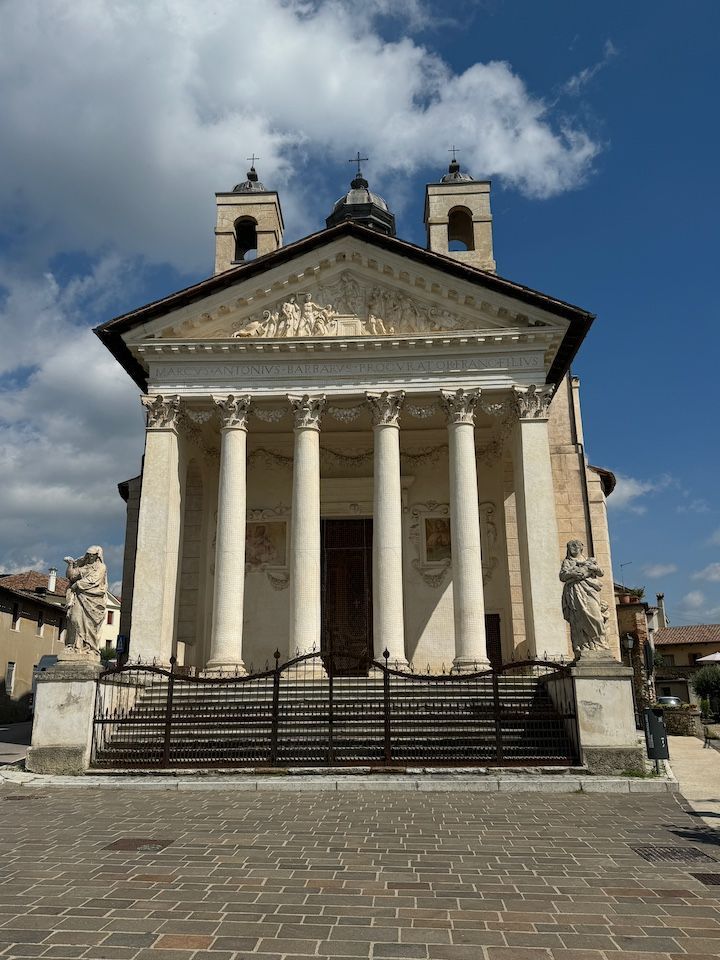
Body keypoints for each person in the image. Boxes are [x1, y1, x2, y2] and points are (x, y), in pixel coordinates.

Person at [559, 539, 609, 656]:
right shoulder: (567, 562)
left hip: (590, 590)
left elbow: (601, 572)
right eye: (570, 546)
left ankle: (600, 643)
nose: (573, 548)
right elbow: (562, 576)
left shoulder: (589, 560)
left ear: (581, 547)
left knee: (596, 615)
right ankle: (584, 645)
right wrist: (573, 574)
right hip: (575, 591)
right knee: (578, 616)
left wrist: (594, 568)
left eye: (575, 546)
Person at [63, 546, 108, 654]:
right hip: (79, 597)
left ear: (97, 556)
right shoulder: (84, 566)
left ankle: (88, 646)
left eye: (93, 555)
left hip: (93, 599)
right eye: (89, 554)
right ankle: (73, 645)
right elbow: (71, 576)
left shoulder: (101, 567)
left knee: (89, 624)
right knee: (74, 619)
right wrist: (70, 565)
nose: (91, 557)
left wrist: (77, 584)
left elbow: (94, 580)